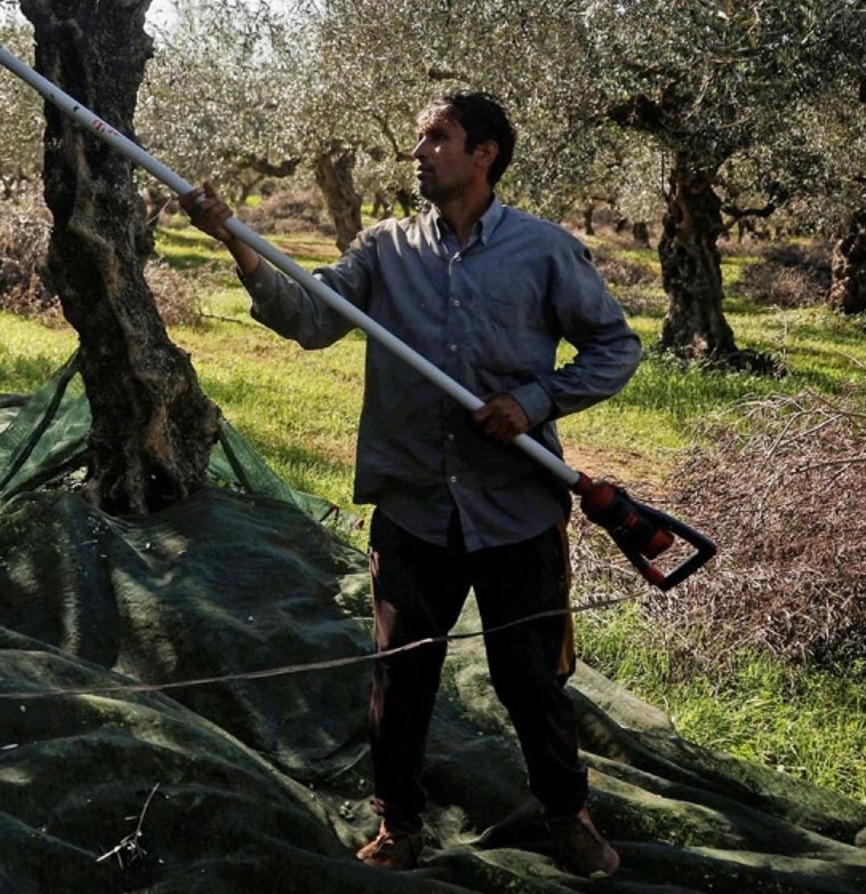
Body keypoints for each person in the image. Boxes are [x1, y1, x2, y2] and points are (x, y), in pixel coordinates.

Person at [181, 93, 640, 877]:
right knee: (400, 673)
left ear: (484, 153)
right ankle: (399, 825)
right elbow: (311, 320)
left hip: (515, 509)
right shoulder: (384, 250)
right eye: (419, 139)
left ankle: (567, 817)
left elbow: (614, 348)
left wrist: (531, 404)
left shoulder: (543, 252)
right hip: (415, 507)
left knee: (531, 680)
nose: (419, 152)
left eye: (438, 138)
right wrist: (234, 240)